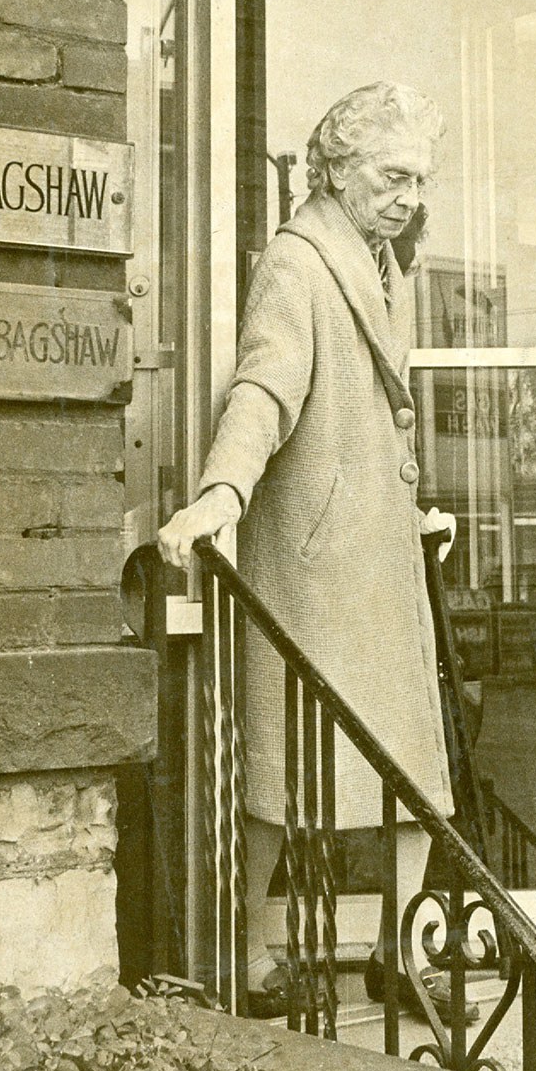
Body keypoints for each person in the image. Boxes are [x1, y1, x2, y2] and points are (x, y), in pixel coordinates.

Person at [158, 82, 468, 1022]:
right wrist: (222, 491)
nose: (412, 196)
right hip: (312, 563)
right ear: (335, 169)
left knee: (412, 770)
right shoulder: (296, 263)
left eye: (422, 178)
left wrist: (410, 502)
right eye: (393, 175)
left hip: (376, 552)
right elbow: (264, 388)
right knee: (281, 773)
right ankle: (239, 957)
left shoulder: (384, 261)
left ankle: (402, 953)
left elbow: (374, 410)